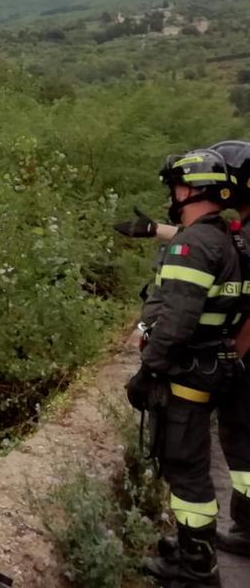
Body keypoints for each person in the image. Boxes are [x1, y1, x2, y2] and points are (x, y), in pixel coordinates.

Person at [117, 142, 250, 558]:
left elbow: (176, 321)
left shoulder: (193, 246)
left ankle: (196, 564)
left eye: (176, 187)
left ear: (189, 189)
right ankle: (202, 553)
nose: (173, 195)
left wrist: (148, 371)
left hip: (191, 372)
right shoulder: (231, 239)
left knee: (185, 465)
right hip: (217, 364)